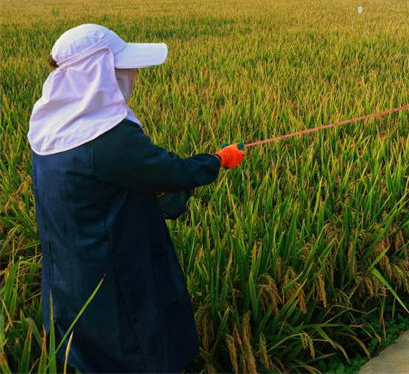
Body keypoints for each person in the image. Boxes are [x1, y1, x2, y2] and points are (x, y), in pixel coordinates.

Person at [28, 24, 246, 373]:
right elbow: (170, 171)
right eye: (122, 69)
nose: (131, 76)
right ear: (99, 74)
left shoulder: (51, 128)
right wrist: (218, 159)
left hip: (70, 273)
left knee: (88, 353)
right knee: (137, 351)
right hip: (114, 274)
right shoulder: (107, 138)